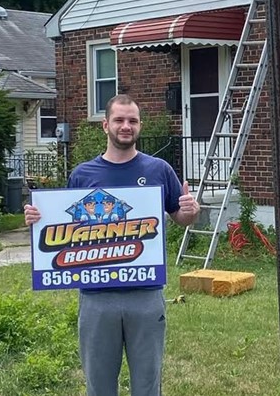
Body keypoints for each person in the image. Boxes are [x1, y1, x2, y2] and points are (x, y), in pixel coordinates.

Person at [24, 94, 200, 396]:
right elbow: (63, 230)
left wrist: (190, 212)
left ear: (140, 125)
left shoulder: (159, 170)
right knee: (99, 385)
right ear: (106, 125)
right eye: (119, 120)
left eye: (132, 120)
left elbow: (180, 216)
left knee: (147, 384)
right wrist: (37, 219)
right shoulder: (82, 175)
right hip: (96, 296)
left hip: (145, 294)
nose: (126, 126)